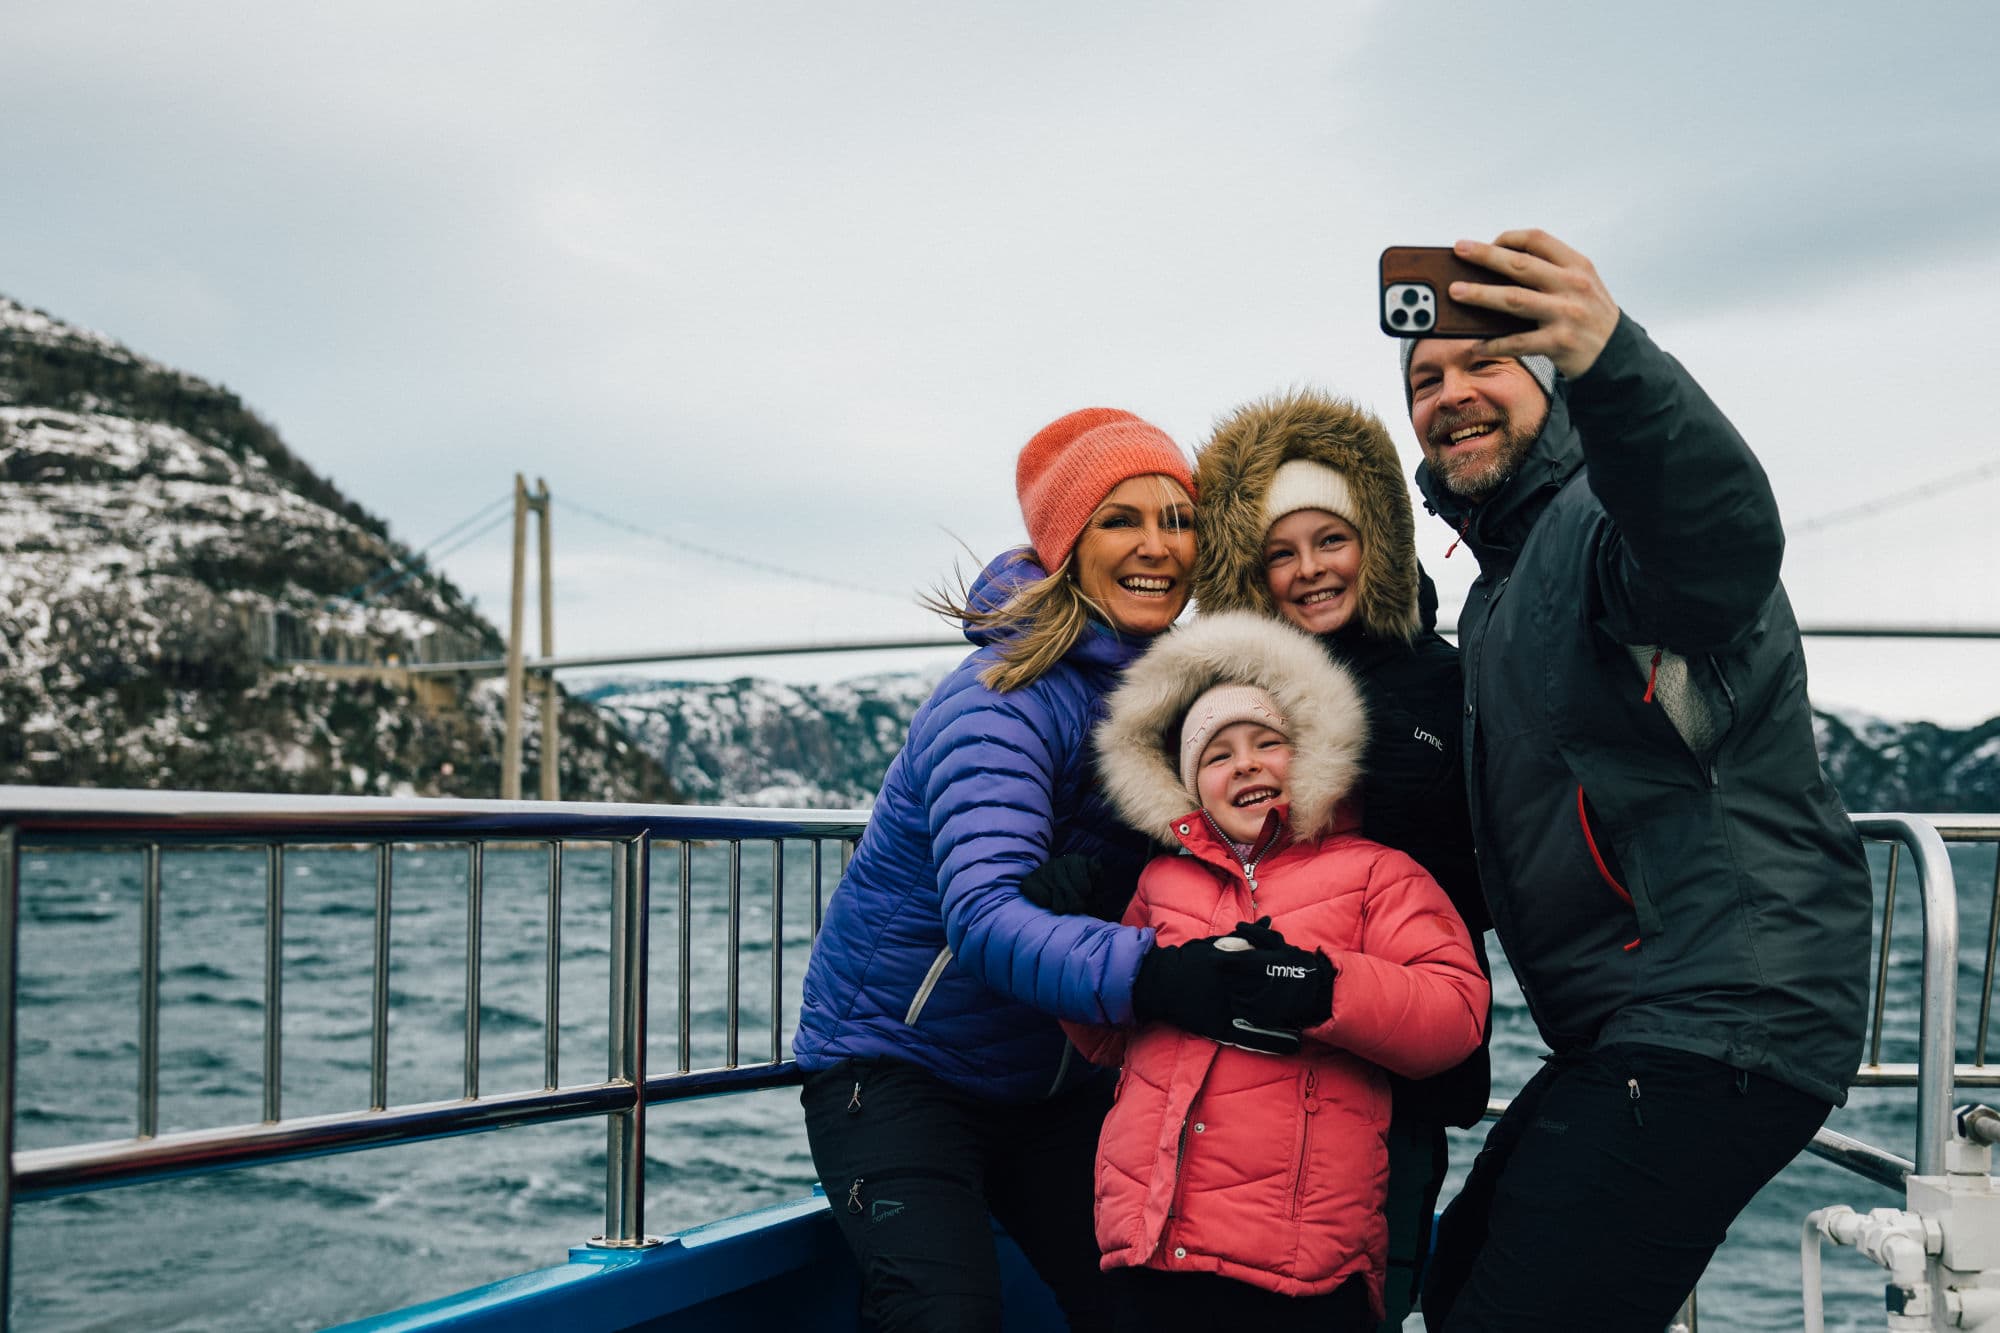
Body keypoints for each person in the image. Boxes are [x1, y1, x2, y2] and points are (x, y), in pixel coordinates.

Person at [1397, 230, 1874, 1332]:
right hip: (1633, 1025)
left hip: (1726, 1014)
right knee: (1459, 1274)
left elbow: (1710, 543)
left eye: (1486, 363)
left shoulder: (1600, 528)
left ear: (1553, 386)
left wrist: (1612, 358)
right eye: (1425, 378)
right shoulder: (1502, 583)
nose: (1450, 394)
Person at [791, 407, 1327, 1333]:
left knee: (1152, 1312)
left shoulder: (1180, 699)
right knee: (943, 1316)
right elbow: (987, 919)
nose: (1156, 545)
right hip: (897, 1069)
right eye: (1121, 519)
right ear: (1068, 545)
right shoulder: (1000, 700)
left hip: (1053, 1081)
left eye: (1178, 517)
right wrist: (1164, 975)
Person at [1055, 609, 1489, 1333]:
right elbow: (1103, 1041)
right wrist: (1073, 937)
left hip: (1303, 1271)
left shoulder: (1377, 873)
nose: (1246, 763)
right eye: (1217, 755)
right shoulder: (1161, 883)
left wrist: (1325, 987)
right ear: (1190, 786)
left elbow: (1456, 1012)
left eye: (1268, 742)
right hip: (1152, 1249)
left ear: (1313, 751)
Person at [1191, 387, 1492, 1329]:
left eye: (1333, 539)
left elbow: (1501, 852)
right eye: (1280, 551)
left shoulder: (1449, 683)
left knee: (1371, 1282)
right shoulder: (1225, 692)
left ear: (1379, 541)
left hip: (1398, 1050)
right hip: (1250, 1050)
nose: (1310, 569)